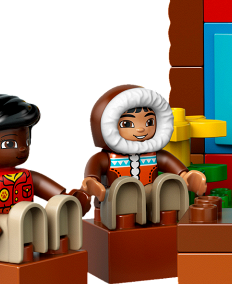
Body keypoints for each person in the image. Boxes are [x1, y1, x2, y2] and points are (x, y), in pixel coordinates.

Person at [0, 94, 90, 253]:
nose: (23, 148)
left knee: (47, 227)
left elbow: (45, 187)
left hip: (25, 231)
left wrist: (67, 199)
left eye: (27, 141)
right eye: (9, 143)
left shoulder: (27, 176)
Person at [81, 85, 206, 228]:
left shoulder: (154, 154)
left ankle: (167, 217)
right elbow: (94, 168)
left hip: (152, 201)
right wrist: (92, 181)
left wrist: (185, 176)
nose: (141, 129)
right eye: (127, 123)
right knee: (124, 194)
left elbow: (169, 163)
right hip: (118, 202)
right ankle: (127, 222)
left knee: (167, 186)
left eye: (149, 122)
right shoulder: (107, 158)